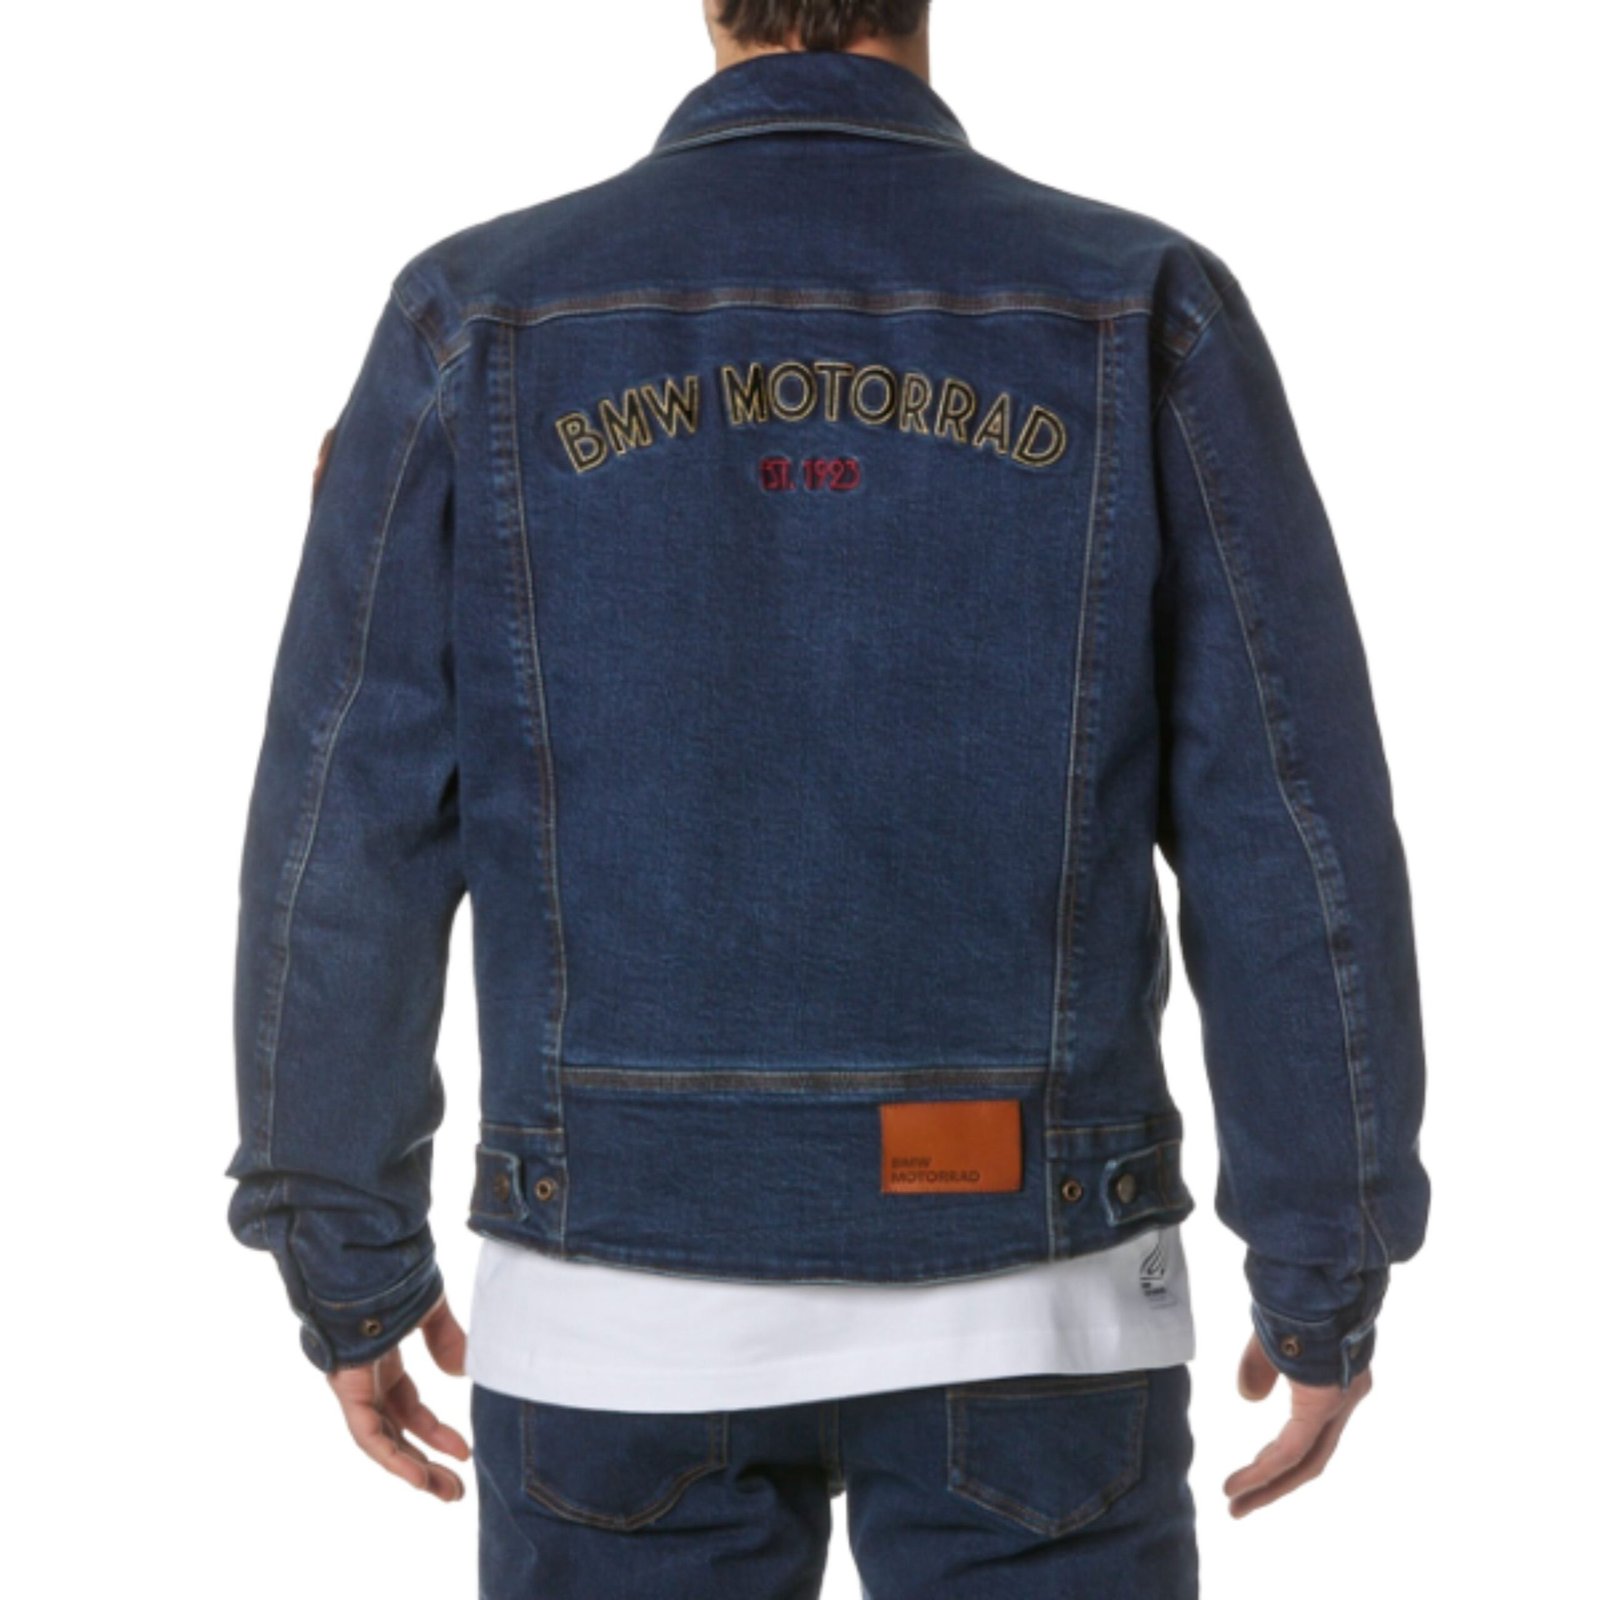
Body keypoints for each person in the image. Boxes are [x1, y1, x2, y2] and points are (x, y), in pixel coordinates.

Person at [223, 2, 1431, 1594]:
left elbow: (345, 831)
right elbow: (1288, 821)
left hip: (609, 1324)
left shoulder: (477, 317)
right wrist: (1326, 1255)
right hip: (1040, 1308)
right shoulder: (1137, 304)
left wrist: (343, 1251)